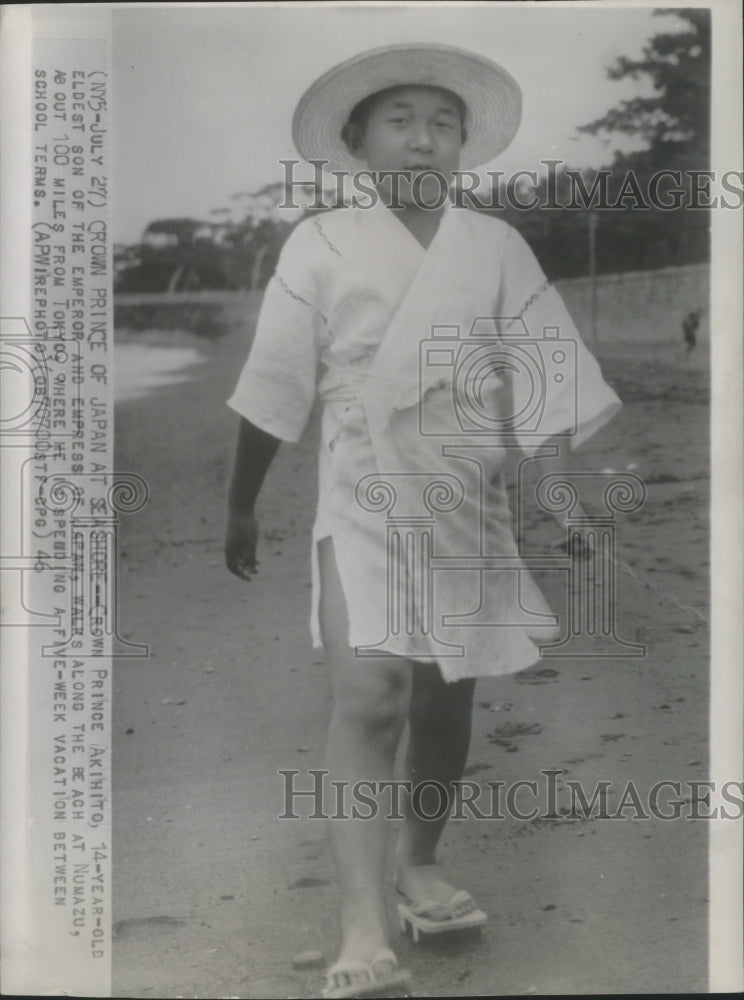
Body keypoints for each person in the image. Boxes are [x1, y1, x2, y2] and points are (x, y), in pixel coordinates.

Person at [224, 43, 621, 998]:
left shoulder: (493, 246)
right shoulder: (319, 244)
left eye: (444, 123)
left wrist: (558, 492)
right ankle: (361, 935)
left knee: (447, 699)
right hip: (360, 490)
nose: (425, 138)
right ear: (359, 139)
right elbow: (275, 382)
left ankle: (420, 863)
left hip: (465, 494)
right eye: (400, 118)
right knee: (371, 696)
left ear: (462, 145)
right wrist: (240, 502)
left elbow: (544, 377)